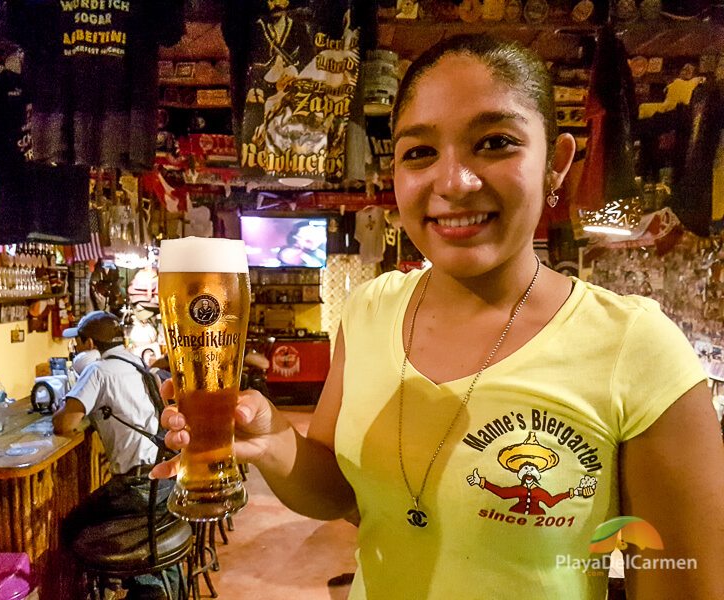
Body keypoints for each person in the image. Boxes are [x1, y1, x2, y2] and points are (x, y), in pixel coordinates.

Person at [151, 34, 724, 599]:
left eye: (495, 142)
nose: (452, 183)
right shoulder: (371, 309)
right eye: (419, 152)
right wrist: (271, 437)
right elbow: (337, 492)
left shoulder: (635, 345)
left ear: (557, 164)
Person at [52, 310, 178, 599]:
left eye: (79, 342)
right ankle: (140, 581)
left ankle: (131, 585)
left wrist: (67, 401)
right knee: (127, 525)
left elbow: (65, 424)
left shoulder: (98, 371)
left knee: (72, 527)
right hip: (165, 481)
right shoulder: (135, 362)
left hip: (136, 489)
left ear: (89, 345)